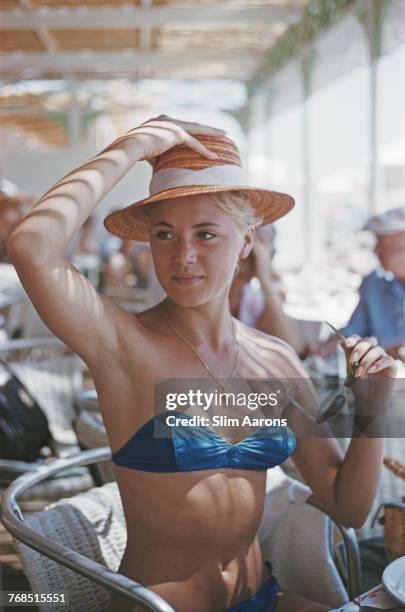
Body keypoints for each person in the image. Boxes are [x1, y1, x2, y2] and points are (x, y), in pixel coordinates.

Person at [7, 116, 396, 612]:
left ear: (247, 243)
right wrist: (134, 145)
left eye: (207, 234)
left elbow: (349, 506)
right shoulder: (124, 344)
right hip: (160, 605)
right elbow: (31, 245)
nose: (184, 255)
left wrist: (373, 403)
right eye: (165, 234)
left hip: (264, 594)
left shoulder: (275, 359)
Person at [306, 206, 405, 362]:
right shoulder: (374, 286)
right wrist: (324, 348)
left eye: (383, 243)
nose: (375, 250)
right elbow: (353, 331)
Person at [229, 225, 301, 352]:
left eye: (253, 257)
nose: (243, 261)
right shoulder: (211, 294)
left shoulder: (254, 298)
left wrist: (265, 281)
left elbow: (290, 347)